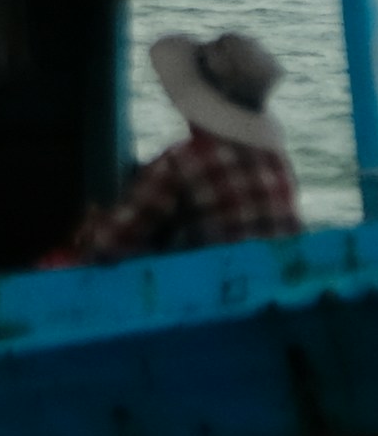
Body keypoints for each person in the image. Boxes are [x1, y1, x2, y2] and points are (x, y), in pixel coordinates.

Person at [45, 31, 307, 263]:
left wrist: (91, 224)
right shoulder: (274, 157)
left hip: (220, 287)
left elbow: (107, 245)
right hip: (280, 274)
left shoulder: (182, 162)